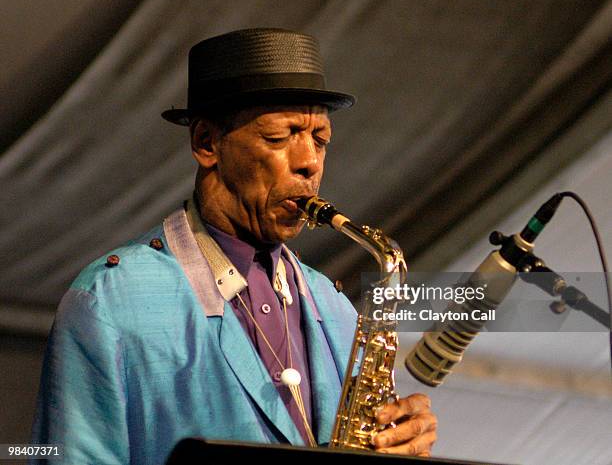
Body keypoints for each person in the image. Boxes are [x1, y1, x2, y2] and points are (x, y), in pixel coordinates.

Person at [31, 28, 437, 464]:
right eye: (281, 137)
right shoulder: (110, 300)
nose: (310, 162)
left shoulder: (334, 307)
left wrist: (404, 444)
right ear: (207, 143)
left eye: (320, 139)